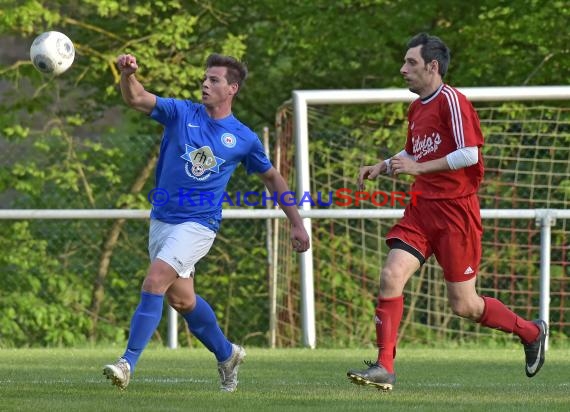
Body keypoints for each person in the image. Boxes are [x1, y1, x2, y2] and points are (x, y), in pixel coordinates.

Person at [347, 32, 547, 391]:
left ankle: (531, 332)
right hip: (422, 211)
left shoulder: (452, 100)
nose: (403, 69)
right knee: (391, 274)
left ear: (432, 66)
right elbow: (413, 157)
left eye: (411, 62)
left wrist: (418, 169)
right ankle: (384, 366)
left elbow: (469, 154)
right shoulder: (416, 108)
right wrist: (382, 166)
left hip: (456, 214)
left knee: (465, 305)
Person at [103, 53, 310, 392]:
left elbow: (272, 178)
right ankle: (227, 354)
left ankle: (127, 362)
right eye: (205, 78)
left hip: (199, 226)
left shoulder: (243, 138)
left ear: (232, 88)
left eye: (214, 80)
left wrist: (297, 223)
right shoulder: (181, 113)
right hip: (163, 220)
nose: (205, 83)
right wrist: (127, 74)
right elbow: (137, 97)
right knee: (182, 300)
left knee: (155, 279)